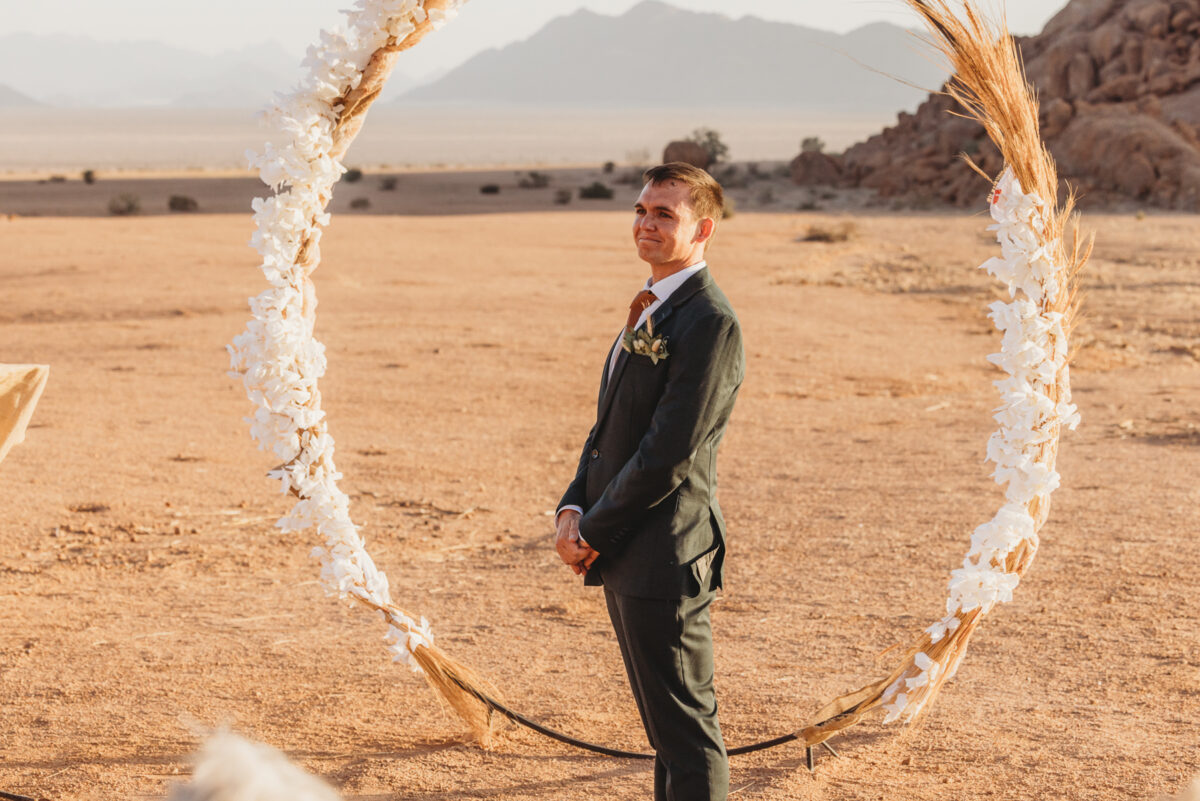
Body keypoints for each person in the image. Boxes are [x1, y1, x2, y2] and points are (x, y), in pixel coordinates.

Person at [554, 162, 745, 801]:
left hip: (667, 551)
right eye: (641, 210)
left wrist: (595, 532)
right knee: (666, 733)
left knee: (686, 735)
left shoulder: (708, 321)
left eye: (665, 214)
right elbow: (611, 428)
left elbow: (669, 455)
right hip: (627, 547)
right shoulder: (651, 305)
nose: (646, 223)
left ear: (703, 229)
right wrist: (573, 507)